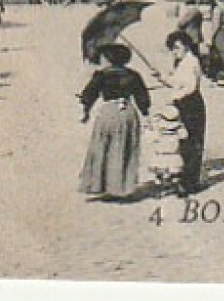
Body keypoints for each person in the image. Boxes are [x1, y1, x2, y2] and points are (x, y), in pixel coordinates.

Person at [78, 43, 150, 200]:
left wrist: (85, 111)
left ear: (110, 59)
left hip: (109, 113)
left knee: (103, 147)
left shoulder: (101, 75)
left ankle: (101, 185)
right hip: (128, 113)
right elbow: (142, 97)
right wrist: (145, 112)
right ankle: (123, 186)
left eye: (103, 57)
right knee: (125, 148)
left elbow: (88, 95)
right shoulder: (133, 75)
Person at [154, 30, 206, 196]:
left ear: (186, 46)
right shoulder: (182, 62)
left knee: (192, 143)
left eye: (177, 47)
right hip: (183, 104)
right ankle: (185, 180)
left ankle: (190, 182)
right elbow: (176, 83)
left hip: (191, 104)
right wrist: (161, 77)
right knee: (182, 143)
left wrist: (175, 96)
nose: (175, 52)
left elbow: (190, 86)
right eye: (172, 49)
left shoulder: (192, 62)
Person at [145, 99, 186, 196]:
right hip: (174, 155)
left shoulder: (159, 132)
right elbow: (184, 135)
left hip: (161, 155)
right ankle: (176, 186)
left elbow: (150, 138)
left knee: (161, 171)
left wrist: (148, 128)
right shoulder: (177, 130)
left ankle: (161, 189)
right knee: (174, 171)